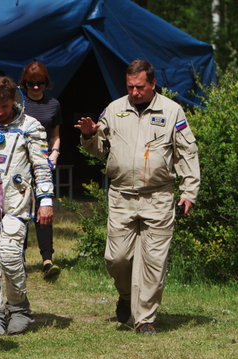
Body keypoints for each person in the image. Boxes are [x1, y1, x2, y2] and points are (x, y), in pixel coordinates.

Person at [75, 59, 199, 335]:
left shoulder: (172, 111)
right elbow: (99, 149)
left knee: (154, 261)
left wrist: (189, 191)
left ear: (153, 84)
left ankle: (145, 319)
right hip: (121, 195)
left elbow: (187, 153)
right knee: (116, 258)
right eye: (130, 87)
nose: (134, 92)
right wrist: (88, 136)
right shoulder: (115, 109)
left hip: (158, 196)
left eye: (140, 87)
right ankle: (127, 296)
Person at [0, 76, 54, 335]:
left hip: (17, 202)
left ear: (14, 102)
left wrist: (45, 201)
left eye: (5, 107)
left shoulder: (30, 126)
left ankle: (19, 307)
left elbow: (42, 166)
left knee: (9, 255)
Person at [20, 61, 62, 280]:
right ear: (24, 83)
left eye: (40, 84)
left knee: (44, 209)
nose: (35, 88)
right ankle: (19, 257)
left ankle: (47, 259)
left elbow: (55, 134)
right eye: (31, 84)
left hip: (43, 163)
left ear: (46, 83)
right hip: (20, 163)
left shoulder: (53, 104)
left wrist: (54, 153)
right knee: (21, 208)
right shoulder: (19, 103)